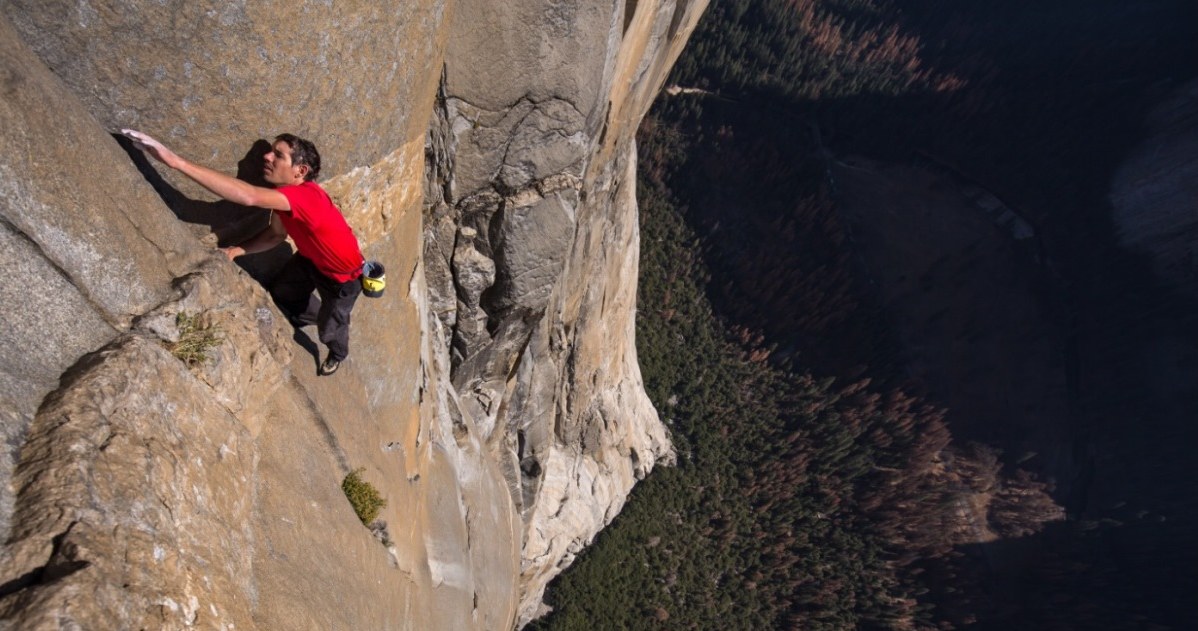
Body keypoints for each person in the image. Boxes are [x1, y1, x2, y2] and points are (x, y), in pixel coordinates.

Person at [123, 129, 364, 376]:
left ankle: (337, 352)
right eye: (270, 151)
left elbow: (248, 196)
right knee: (283, 292)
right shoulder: (284, 198)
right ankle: (315, 315)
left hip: (341, 278)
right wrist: (236, 250)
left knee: (330, 329)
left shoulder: (304, 197)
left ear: (300, 171)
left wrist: (175, 162)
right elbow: (276, 235)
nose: (267, 157)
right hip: (310, 259)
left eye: (278, 155)